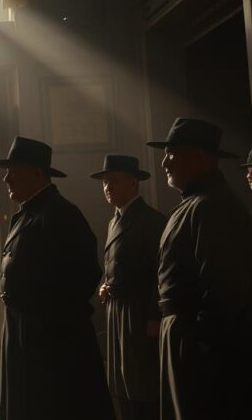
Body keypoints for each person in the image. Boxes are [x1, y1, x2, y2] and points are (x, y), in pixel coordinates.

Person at [0, 136, 114, 420]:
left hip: (49, 342)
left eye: (13, 171)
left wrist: (43, 319)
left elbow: (83, 275)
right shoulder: (28, 213)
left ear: (36, 174)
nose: (6, 179)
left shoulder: (61, 214)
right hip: (23, 332)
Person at [146, 118, 252, 419]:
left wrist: (198, 346)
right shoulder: (198, 202)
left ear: (201, 157)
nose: (165, 162)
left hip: (195, 343)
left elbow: (227, 288)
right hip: (185, 337)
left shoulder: (212, 207)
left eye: (173, 153)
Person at [90, 155, 165, 420]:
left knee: (141, 380)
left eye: (115, 181)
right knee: (120, 378)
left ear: (134, 183)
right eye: (105, 182)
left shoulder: (150, 221)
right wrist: (105, 284)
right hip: (116, 309)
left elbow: (161, 271)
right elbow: (115, 261)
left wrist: (154, 314)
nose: (108, 187)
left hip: (138, 311)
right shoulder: (114, 220)